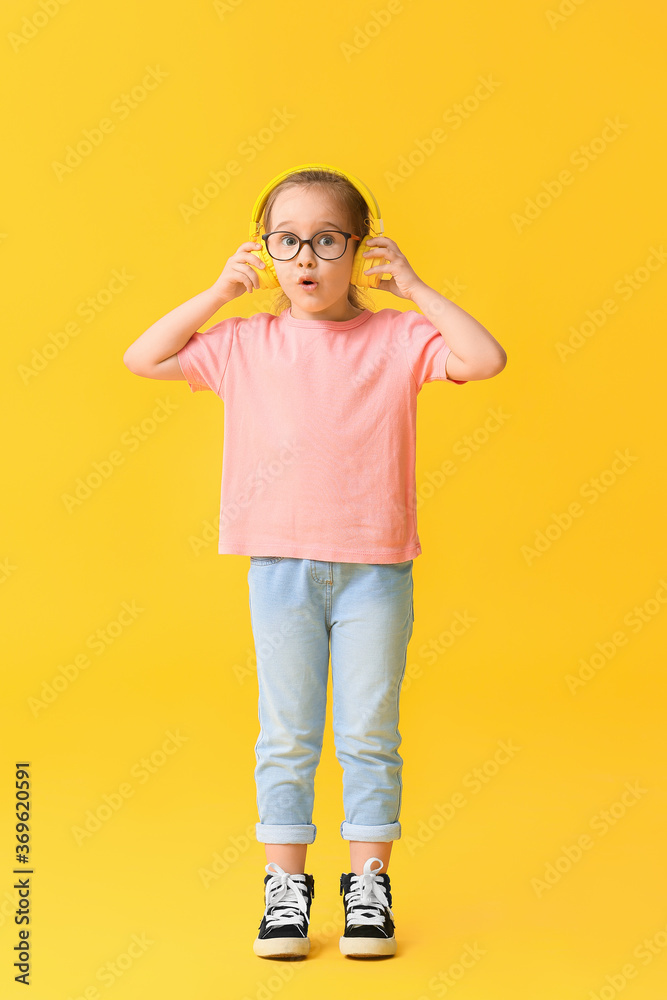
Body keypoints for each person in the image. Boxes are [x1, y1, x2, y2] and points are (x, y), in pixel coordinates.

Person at [122, 165, 507, 961]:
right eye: (286, 239)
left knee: (368, 733)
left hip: (374, 569)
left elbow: (484, 358)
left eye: (327, 240)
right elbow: (142, 357)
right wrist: (218, 293)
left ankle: (367, 889)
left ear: (356, 249)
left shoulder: (399, 339)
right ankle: (285, 891)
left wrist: (414, 286)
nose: (307, 257)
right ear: (265, 250)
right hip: (281, 570)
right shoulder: (243, 344)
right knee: (288, 734)